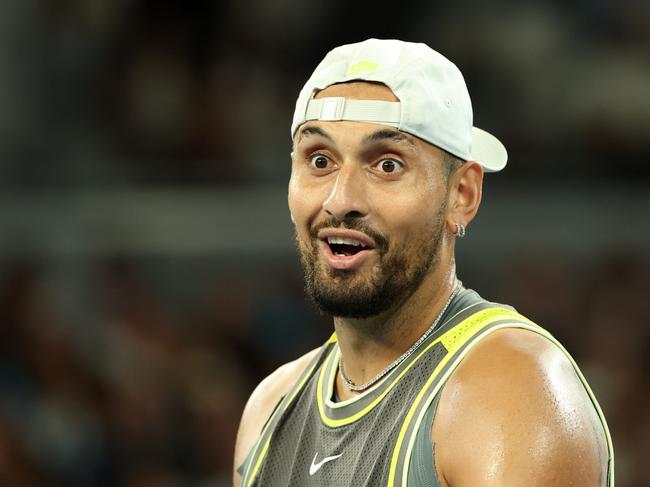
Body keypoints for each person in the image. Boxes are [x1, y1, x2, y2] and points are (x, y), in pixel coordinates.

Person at [233, 38, 614, 486]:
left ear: (462, 195)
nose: (341, 200)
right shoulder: (270, 407)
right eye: (320, 160)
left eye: (388, 165)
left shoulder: (512, 393)